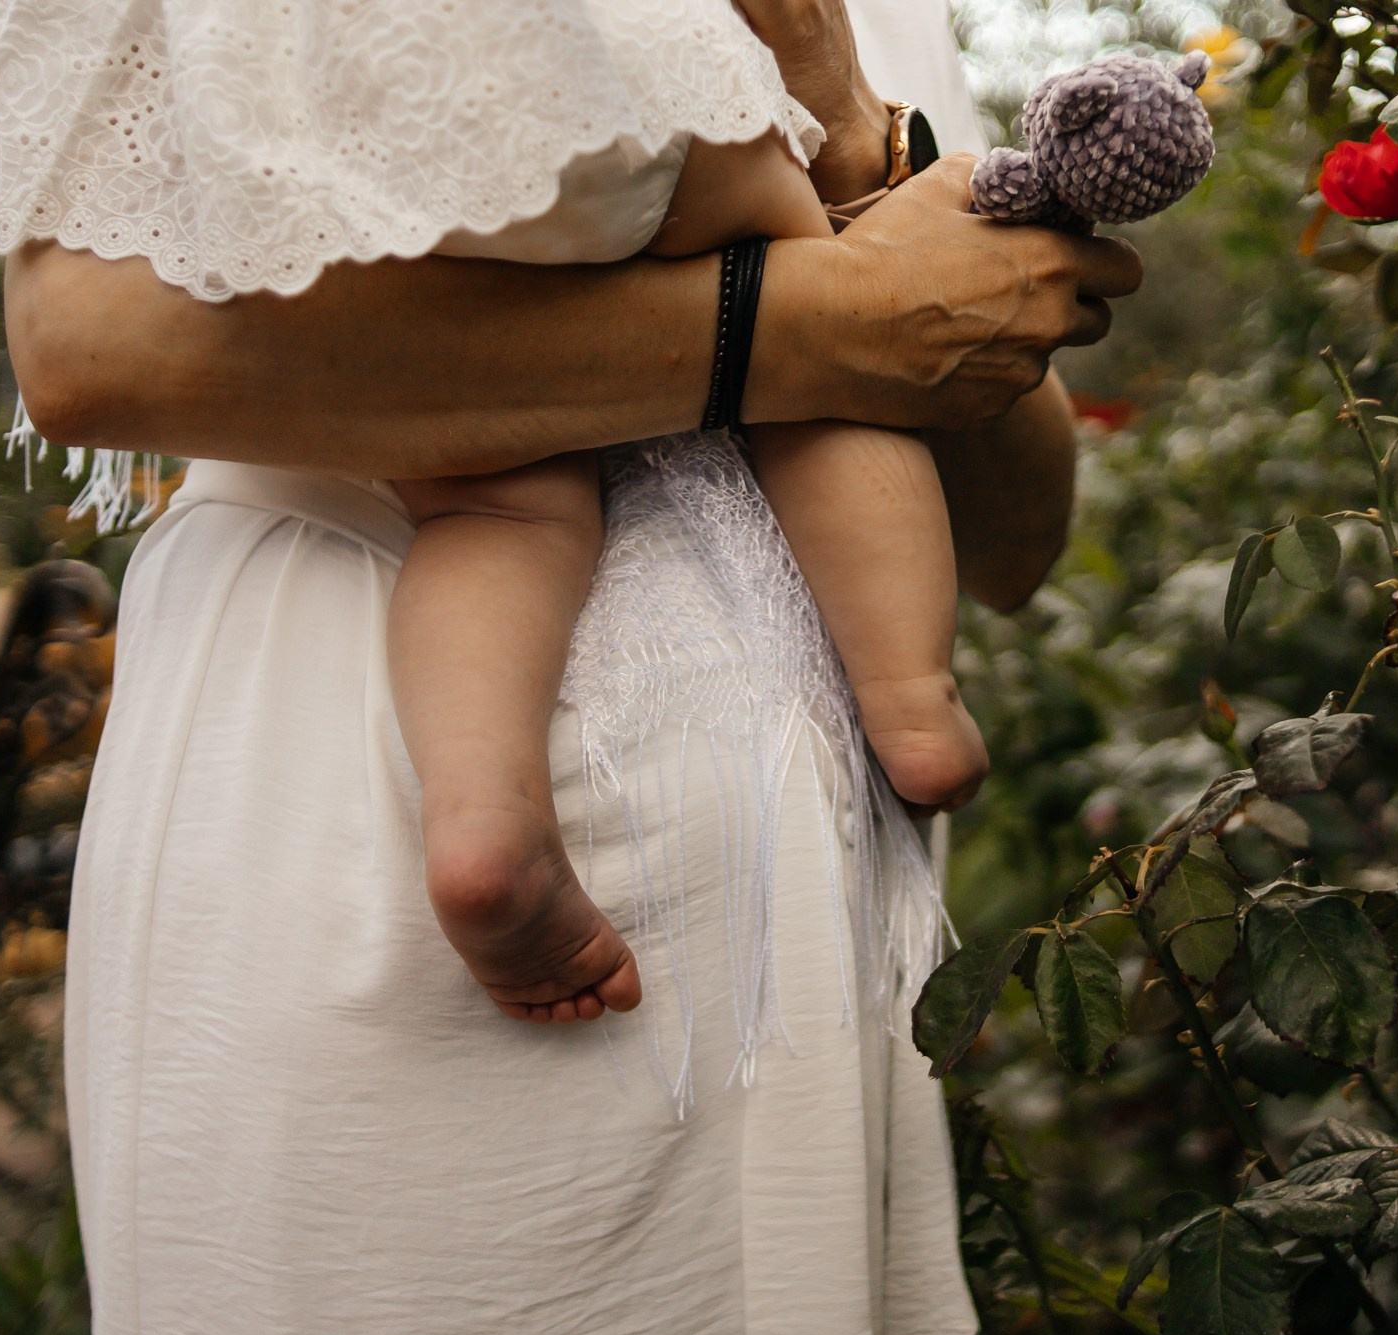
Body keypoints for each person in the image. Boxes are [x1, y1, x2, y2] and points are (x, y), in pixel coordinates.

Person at [0, 0, 1142, 1335]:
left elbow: (1013, 536)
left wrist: (851, 134)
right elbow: (92, 353)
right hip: (377, 825)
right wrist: (800, 322)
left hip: (762, 925)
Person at [395, 116, 986, 1028]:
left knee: (492, 501)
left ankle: (483, 810)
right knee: (826, 340)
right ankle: (913, 695)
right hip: (642, 96)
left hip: (389, 145)